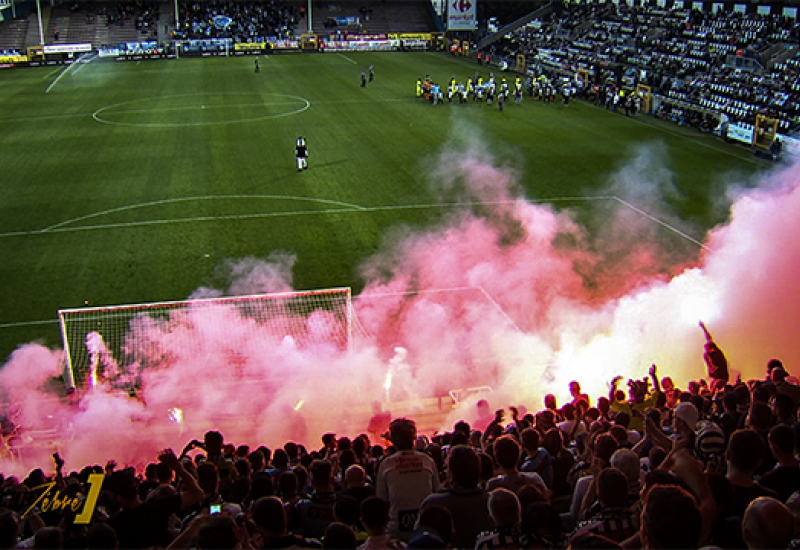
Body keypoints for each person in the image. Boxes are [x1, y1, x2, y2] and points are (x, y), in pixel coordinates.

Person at [375, 418, 439, 541]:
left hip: (396, 531)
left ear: (392, 440)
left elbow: (381, 501)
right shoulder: (427, 461)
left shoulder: (386, 464)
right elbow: (436, 493)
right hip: (426, 530)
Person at [699, 321, 729, 394]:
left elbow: (709, 338)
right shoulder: (707, 355)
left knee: (715, 387)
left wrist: (703, 328)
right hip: (716, 377)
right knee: (712, 386)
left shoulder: (717, 352)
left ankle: (713, 399)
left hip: (722, 377)